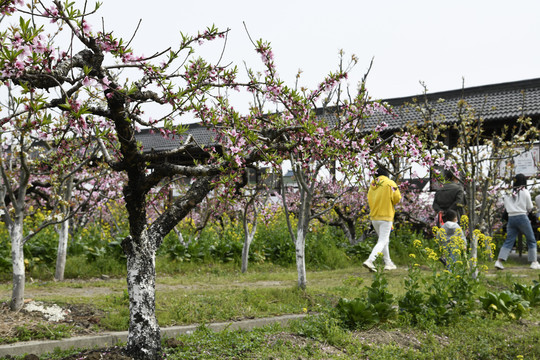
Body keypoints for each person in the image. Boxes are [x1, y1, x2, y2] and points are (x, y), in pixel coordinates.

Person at [495, 174, 540, 270]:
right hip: (522, 217)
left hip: (511, 218)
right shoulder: (525, 191)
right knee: (531, 239)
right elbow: (530, 207)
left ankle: (499, 261)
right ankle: (534, 262)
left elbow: (506, 208)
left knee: (509, 241)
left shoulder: (507, 193)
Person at [363, 168, 401, 272]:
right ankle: (370, 261)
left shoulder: (373, 185)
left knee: (384, 240)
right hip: (386, 215)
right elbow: (397, 198)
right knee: (383, 240)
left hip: (374, 217)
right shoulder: (390, 183)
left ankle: (388, 263)